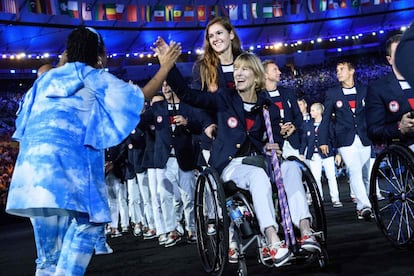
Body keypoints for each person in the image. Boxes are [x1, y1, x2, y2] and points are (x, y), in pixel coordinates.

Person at [5, 27, 181, 275]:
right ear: (97, 54)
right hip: (67, 170)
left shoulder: (45, 80)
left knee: (46, 258)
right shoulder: (91, 76)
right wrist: (164, 67)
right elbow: (138, 97)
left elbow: (22, 120)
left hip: (31, 176)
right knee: (91, 223)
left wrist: (61, 62)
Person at [157, 42, 320, 266]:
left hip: (261, 161)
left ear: (256, 76)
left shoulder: (269, 108)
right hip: (232, 165)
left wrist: (274, 144)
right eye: (236, 70)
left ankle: (305, 230)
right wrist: (168, 65)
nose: (239, 73)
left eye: (244, 69)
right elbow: (187, 95)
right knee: (257, 176)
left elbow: (272, 140)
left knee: (291, 167)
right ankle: (272, 239)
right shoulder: (225, 99)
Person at [318, 59, 372, 220]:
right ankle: (365, 206)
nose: (338, 72)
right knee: (354, 170)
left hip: (364, 137)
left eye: (342, 69)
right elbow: (325, 119)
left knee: (365, 174)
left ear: (351, 71)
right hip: (344, 140)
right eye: (337, 70)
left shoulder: (365, 90)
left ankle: (362, 205)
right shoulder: (332, 93)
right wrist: (322, 140)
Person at [150, 81, 202, 246]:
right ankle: (171, 229)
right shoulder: (158, 108)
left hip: (185, 158)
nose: (165, 87)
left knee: (189, 196)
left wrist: (187, 123)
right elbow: (140, 119)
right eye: (163, 85)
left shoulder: (187, 107)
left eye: (168, 84)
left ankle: (192, 229)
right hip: (165, 161)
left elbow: (198, 126)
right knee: (165, 195)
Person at [191, 16, 244, 164]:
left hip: (246, 134)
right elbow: (197, 101)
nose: (215, 39)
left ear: (231, 34)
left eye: (219, 33)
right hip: (217, 136)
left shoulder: (246, 61)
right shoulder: (202, 67)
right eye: (211, 36)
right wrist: (208, 124)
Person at [366, 33, 414, 150]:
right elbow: (374, 131)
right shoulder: (378, 89)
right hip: (406, 145)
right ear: (390, 59)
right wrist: (399, 127)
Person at [300, 103, 342, 207]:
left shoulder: (327, 124)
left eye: (313, 110)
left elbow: (333, 139)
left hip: (327, 154)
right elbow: (304, 141)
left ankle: (335, 199)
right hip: (313, 155)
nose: (311, 112)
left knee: (331, 176)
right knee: (316, 177)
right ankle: (319, 198)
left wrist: (337, 153)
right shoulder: (308, 124)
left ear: (319, 111)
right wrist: (301, 153)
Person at [262, 59, 303, 159]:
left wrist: (293, 126)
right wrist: (277, 130)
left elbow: (298, 116)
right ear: (265, 75)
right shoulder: (260, 97)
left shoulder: (288, 92)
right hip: (273, 144)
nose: (279, 72)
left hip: (292, 143)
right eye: (275, 70)